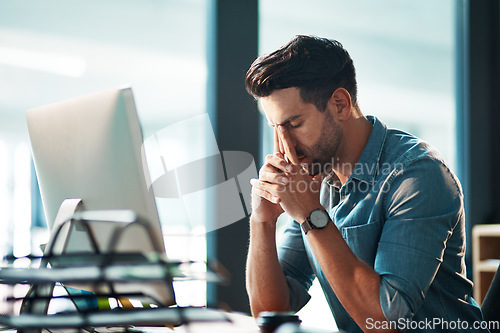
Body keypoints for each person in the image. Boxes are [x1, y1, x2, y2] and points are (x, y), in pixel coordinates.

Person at [245, 35, 488, 333]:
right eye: (275, 128)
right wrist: (263, 221)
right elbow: (270, 313)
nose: (284, 147)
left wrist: (311, 215)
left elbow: (386, 321)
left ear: (340, 104)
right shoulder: (314, 182)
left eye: (294, 125)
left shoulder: (417, 175)